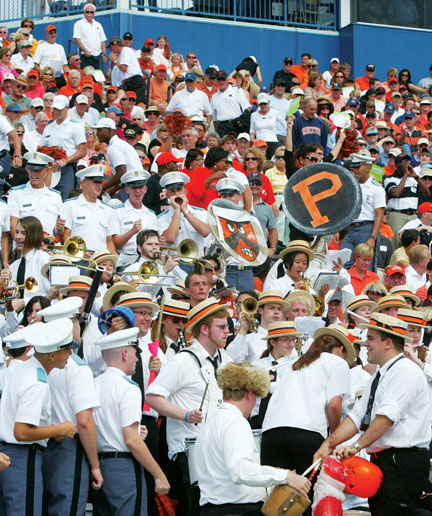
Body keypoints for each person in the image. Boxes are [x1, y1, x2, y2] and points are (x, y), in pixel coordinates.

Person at [313, 312, 431, 516]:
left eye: (370, 338)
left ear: (388, 343)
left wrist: (356, 446)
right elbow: (357, 417)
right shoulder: (380, 374)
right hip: (386, 460)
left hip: (403, 460)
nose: (364, 343)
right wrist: (328, 444)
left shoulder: (406, 372)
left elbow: (386, 419)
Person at [146, 297, 232, 516]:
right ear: (204, 329)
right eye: (221, 327)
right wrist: (185, 415)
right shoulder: (182, 361)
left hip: (216, 447)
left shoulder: (225, 358)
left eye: (227, 326)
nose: (227, 331)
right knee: (193, 508)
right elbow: (153, 397)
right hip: (189, 449)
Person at [195, 361, 310, 516]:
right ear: (249, 393)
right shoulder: (236, 422)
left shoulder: (210, 424)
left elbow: (225, 477)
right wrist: (285, 476)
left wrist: (271, 484)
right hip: (238, 511)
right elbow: (240, 470)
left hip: (212, 509)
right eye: (256, 396)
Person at [261, 324, 353, 515]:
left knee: (276, 502)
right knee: (303, 501)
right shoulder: (337, 362)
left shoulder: (298, 362)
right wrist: (333, 438)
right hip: (307, 432)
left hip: (272, 432)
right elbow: (335, 405)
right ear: (341, 350)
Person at [0, 318, 78, 516]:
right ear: (52, 354)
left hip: (12, 456)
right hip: (22, 457)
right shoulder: (37, 381)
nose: (71, 353)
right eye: (67, 349)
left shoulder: (22, 368)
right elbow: (22, 432)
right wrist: (60, 429)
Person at [35, 297, 103, 515]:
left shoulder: (35, 361)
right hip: (67, 447)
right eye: (76, 322)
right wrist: (95, 464)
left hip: (39, 443)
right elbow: (84, 421)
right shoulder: (76, 367)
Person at [91, 327, 170, 515]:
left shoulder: (94, 384)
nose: (137, 359)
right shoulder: (129, 388)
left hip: (99, 463)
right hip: (123, 466)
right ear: (125, 354)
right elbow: (131, 440)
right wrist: (159, 475)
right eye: (135, 353)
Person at [56, 164, 119, 254]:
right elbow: (65, 236)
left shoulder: (108, 210)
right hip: (77, 258)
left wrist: (115, 261)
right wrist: (79, 253)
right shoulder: (69, 206)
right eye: (95, 182)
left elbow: (109, 242)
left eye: (100, 182)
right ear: (83, 182)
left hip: (101, 259)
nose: (99, 185)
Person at [340, 153, 386, 270]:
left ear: (368, 167)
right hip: (351, 229)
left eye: (358, 167)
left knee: (365, 267)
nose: (355, 171)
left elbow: (379, 215)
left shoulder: (376, 188)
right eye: (353, 168)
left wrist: (372, 237)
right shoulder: (351, 186)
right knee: (342, 263)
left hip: (367, 228)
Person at [157, 171, 210, 266]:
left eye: (179, 190)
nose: (177, 194)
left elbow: (205, 231)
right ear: (167, 195)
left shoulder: (200, 213)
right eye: (172, 191)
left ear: (185, 191)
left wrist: (185, 211)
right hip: (175, 265)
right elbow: (170, 238)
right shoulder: (162, 218)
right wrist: (177, 210)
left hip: (197, 263)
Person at [39, 94, 86, 201]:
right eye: (55, 108)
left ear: (66, 109)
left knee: (67, 199)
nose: (56, 112)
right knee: (48, 199)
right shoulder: (49, 127)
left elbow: (83, 150)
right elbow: (41, 148)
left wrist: (66, 160)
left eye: (59, 109)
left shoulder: (75, 126)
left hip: (67, 168)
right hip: (50, 168)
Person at [7, 152, 62, 238]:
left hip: (48, 246)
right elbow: (13, 226)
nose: (34, 174)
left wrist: (59, 229)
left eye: (38, 170)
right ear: (27, 169)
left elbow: (56, 232)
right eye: (31, 170)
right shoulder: (16, 194)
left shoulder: (56, 197)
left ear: (46, 171)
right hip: (25, 246)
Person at [228, 290, 287, 364]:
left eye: (279, 309)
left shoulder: (287, 339)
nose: (276, 312)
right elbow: (231, 360)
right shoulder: (248, 339)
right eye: (271, 308)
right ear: (260, 310)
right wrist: (243, 330)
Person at [113, 169, 157, 267]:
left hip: (148, 262)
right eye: (134, 188)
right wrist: (132, 231)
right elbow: (115, 243)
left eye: (140, 187)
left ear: (145, 189)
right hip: (126, 260)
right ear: (127, 189)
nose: (137, 191)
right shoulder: (117, 212)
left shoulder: (151, 215)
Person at [93, 118, 143, 199]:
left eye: (100, 130)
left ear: (109, 130)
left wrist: (102, 188)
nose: (97, 134)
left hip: (132, 187)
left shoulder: (114, 147)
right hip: (135, 184)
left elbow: (122, 172)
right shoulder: (119, 144)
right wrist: (114, 189)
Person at [8, 216, 50, 303]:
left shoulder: (44, 260)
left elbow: (53, 295)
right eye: (17, 232)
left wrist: (24, 302)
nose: (18, 237)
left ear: (34, 235)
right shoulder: (13, 266)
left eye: (23, 233)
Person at [108, 36, 147, 106]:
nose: (111, 50)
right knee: (128, 104)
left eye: (111, 47)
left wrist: (114, 60)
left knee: (139, 102)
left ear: (115, 45)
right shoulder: (122, 54)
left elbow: (124, 68)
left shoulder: (125, 51)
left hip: (135, 80)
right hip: (128, 82)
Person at [211, 69, 250, 137]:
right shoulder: (214, 97)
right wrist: (217, 132)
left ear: (227, 80)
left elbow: (247, 108)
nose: (221, 82)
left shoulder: (237, 90)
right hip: (223, 126)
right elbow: (215, 119)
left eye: (223, 79)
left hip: (236, 124)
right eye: (219, 80)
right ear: (216, 81)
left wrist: (242, 121)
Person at [73, 3, 107, 70]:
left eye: (91, 12)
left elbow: (102, 41)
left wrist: (104, 54)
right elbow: (77, 39)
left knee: (99, 77)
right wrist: (85, 50)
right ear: (84, 12)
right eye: (87, 12)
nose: (89, 14)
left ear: (94, 13)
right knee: (87, 77)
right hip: (86, 56)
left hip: (98, 56)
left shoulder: (98, 24)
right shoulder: (79, 23)